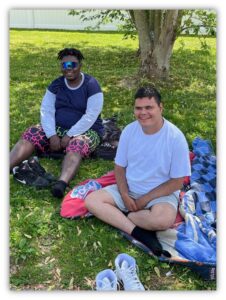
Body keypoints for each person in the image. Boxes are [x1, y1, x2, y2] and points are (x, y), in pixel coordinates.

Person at [85, 86, 191, 255]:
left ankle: (127, 217)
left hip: (160, 194)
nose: (143, 113)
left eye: (149, 107)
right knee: (92, 201)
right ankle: (139, 232)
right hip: (131, 188)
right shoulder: (129, 131)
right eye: (138, 108)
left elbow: (177, 182)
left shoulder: (175, 138)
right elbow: (119, 168)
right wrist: (125, 194)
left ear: (160, 108)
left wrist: (145, 200)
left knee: (162, 220)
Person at [10, 48, 104, 198]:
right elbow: (46, 110)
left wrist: (70, 135)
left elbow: (91, 115)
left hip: (87, 130)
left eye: (73, 64)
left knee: (78, 144)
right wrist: (52, 134)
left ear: (80, 65)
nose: (69, 69)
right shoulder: (56, 84)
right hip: (58, 128)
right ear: (61, 66)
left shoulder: (91, 84)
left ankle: (61, 183)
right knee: (31, 133)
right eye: (64, 65)